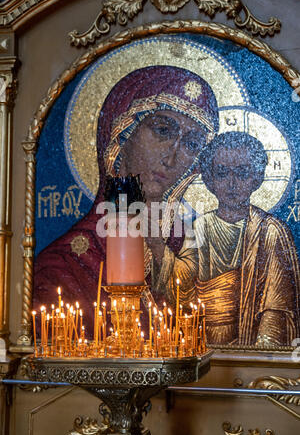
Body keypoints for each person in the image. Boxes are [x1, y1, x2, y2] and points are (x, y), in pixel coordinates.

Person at [33, 65, 219, 338]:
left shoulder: (187, 248)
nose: (172, 157)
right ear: (122, 132)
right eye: (163, 130)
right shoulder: (64, 265)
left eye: (191, 144)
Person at [163, 131, 300, 347]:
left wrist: (260, 356)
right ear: (209, 179)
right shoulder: (200, 227)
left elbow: (276, 305)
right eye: (222, 173)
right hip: (204, 343)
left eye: (242, 173)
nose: (232, 183)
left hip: (253, 349)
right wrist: (155, 248)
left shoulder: (270, 231)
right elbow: (181, 285)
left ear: (257, 177)